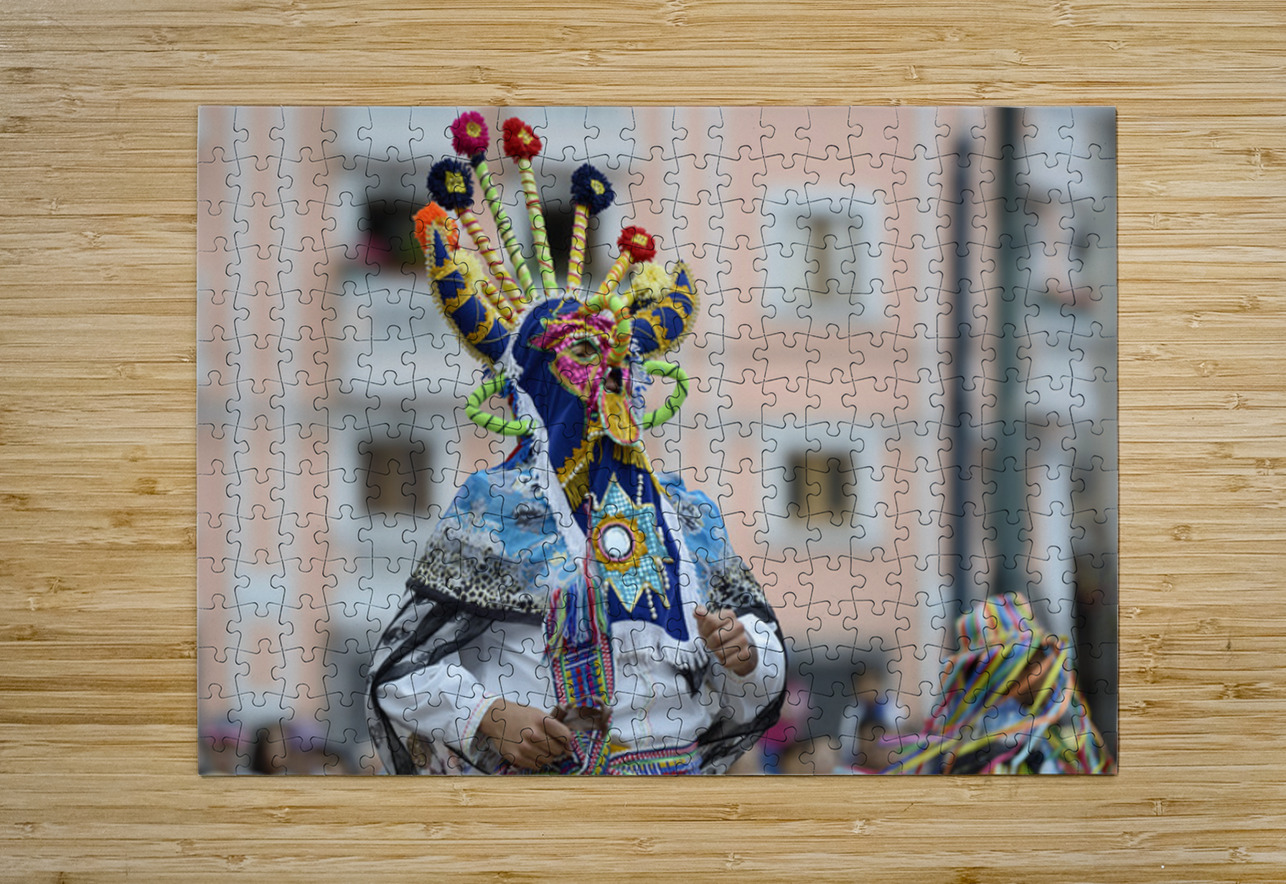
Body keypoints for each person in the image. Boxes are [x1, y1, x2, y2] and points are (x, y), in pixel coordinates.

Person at [367, 112, 786, 775]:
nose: (608, 377)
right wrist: (489, 717)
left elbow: (742, 697)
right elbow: (400, 671)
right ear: (535, 378)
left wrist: (748, 655)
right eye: (586, 353)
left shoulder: (688, 516)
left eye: (623, 360)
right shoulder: (497, 506)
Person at [885, 592, 1114, 775]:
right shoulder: (996, 749)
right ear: (1010, 672)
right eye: (1039, 660)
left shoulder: (1040, 732)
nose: (1051, 672)